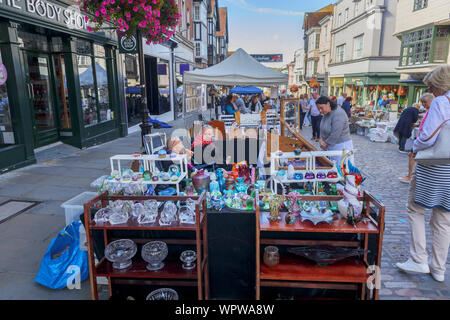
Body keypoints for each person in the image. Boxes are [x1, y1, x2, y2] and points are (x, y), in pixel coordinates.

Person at [396, 65, 450, 283]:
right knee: (444, 219)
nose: (431, 91)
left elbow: (427, 137)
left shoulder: (441, 102)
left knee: (415, 208)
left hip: (433, 165)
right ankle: (438, 268)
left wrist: (414, 145)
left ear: (439, 85)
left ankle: (419, 258)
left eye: (431, 86)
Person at [398, 93, 434, 184]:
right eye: (422, 102)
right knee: (412, 155)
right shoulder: (429, 111)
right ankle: (411, 176)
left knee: (412, 156)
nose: (423, 104)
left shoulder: (432, 111)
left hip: (424, 139)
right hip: (421, 138)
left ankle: (411, 176)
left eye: (425, 102)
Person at [316, 96, 353, 163]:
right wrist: (321, 139)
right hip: (330, 147)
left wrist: (325, 143)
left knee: (341, 168)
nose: (320, 111)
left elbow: (336, 133)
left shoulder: (338, 113)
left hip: (341, 147)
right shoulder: (326, 113)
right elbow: (322, 128)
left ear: (328, 104)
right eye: (318, 109)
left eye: (321, 108)